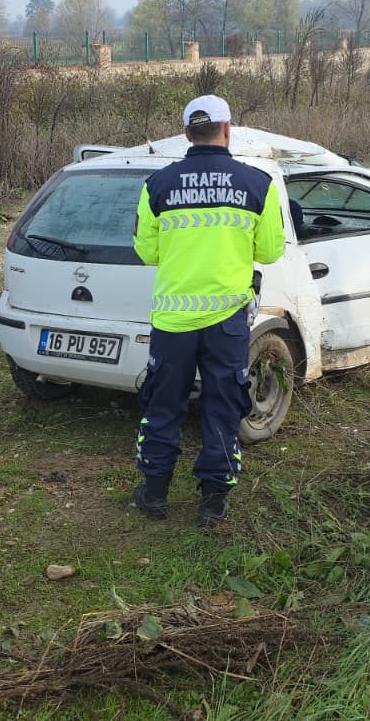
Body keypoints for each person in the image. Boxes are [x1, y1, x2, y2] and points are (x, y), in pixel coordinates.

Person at [131, 95, 285, 526]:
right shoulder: (258, 185)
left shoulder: (157, 185)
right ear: (227, 129)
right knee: (223, 405)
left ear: (186, 134)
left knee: (163, 404)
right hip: (227, 322)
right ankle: (213, 502)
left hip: (173, 322)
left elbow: (146, 252)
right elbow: (270, 251)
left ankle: (155, 494)